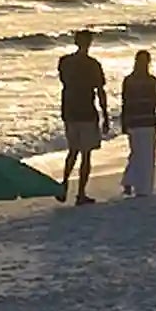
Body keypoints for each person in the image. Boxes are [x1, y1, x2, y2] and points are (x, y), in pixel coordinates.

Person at [56, 30, 112, 205]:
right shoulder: (93, 64)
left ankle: (64, 183)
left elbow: (64, 82)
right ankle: (80, 193)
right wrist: (105, 114)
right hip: (87, 111)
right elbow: (100, 91)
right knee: (86, 155)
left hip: (69, 111)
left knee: (72, 151)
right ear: (89, 43)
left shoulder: (65, 62)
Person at [118, 49, 156, 197]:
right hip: (145, 122)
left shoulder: (129, 80)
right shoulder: (150, 81)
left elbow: (126, 104)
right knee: (145, 156)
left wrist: (124, 122)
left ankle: (130, 182)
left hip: (137, 122)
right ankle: (142, 188)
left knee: (137, 153)